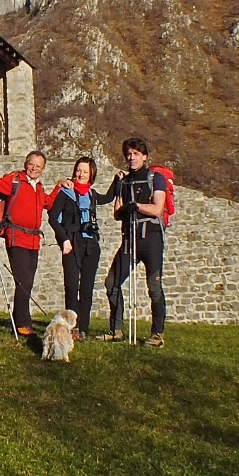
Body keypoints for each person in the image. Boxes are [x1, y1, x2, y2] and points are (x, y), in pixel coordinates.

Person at [98, 137, 168, 347]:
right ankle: (116, 330)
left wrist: (135, 206)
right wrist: (124, 205)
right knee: (112, 283)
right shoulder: (124, 181)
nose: (131, 157)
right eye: (129, 154)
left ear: (144, 157)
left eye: (136, 153)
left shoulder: (156, 178)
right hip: (130, 238)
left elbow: (157, 209)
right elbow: (117, 214)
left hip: (151, 239)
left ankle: (157, 334)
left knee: (154, 287)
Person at [0, 151, 56, 337]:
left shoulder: (39, 188)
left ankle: (19, 319)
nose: (34, 168)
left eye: (38, 166)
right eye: (31, 164)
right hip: (16, 236)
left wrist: (60, 186)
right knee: (24, 280)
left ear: (43, 169)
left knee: (27, 282)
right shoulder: (14, 180)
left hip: (33, 241)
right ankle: (22, 323)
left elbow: (48, 203)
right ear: (25, 163)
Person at [48, 157, 110, 341]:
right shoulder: (66, 192)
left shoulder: (92, 195)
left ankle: (83, 329)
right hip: (71, 245)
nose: (81, 174)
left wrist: (118, 181)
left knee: (86, 289)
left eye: (85, 171)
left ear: (91, 174)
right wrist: (64, 239)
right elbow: (52, 218)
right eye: (78, 170)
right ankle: (70, 328)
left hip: (91, 246)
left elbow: (109, 197)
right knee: (71, 286)